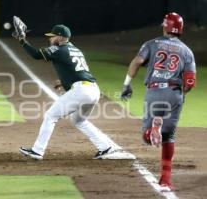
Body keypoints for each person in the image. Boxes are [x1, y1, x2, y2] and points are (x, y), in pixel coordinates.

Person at [12, 17, 133, 160]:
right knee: (79, 121)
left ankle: (37, 151)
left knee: (51, 116)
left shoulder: (59, 48)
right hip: (93, 90)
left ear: (61, 37)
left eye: (53, 36)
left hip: (82, 90)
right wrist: (65, 83)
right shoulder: (75, 49)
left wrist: (22, 40)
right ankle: (105, 147)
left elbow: (37, 55)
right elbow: (77, 71)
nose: (50, 39)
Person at [121, 12, 196, 192]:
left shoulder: (152, 44)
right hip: (174, 93)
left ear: (165, 26)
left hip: (155, 91)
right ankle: (165, 180)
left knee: (148, 138)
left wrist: (127, 85)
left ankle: (153, 129)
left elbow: (136, 62)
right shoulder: (187, 51)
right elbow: (190, 80)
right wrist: (183, 93)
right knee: (169, 136)